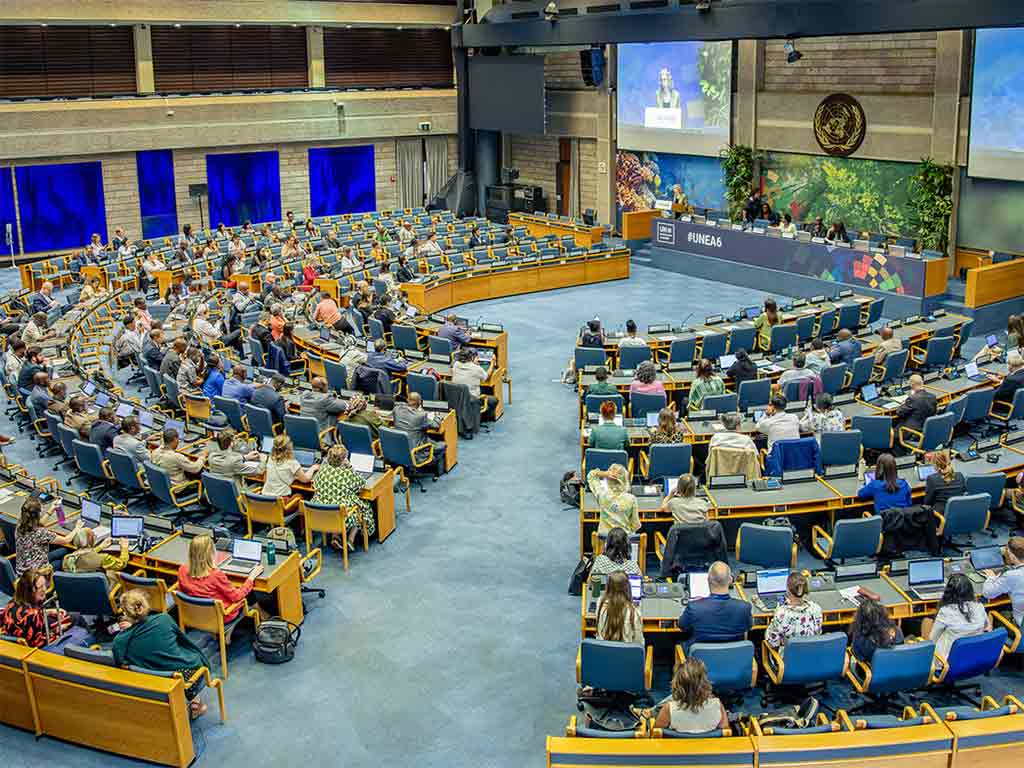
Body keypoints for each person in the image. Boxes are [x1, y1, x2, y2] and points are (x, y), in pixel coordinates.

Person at [114, 590, 212, 719]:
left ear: (126, 613)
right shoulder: (164, 619)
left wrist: (129, 630)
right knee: (192, 657)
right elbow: (184, 641)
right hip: (182, 675)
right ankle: (196, 703)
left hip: (152, 680)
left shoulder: (120, 640)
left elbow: (119, 661)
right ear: (145, 605)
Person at [178, 535, 261, 623]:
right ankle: (263, 618)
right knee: (248, 591)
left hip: (194, 614)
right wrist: (251, 578)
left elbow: (182, 591)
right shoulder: (215, 575)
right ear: (210, 554)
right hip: (221, 616)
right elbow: (237, 597)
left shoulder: (182, 570)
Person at [310, 444, 377, 550]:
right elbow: (362, 483)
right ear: (344, 459)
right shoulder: (347, 474)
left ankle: (335, 536)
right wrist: (350, 466)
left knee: (333, 505)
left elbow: (314, 484)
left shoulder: (322, 471)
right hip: (342, 517)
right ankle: (350, 540)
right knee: (362, 508)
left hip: (321, 515)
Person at [677, 561, 752, 649]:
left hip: (699, 660)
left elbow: (681, 625)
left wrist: (698, 603)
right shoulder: (744, 608)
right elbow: (749, 626)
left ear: (708, 579)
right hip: (734, 658)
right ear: (731, 580)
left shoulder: (694, 607)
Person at [921, 573, 990, 660]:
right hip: (975, 657)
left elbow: (932, 639)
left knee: (927, 621)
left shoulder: (945, 611)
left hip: (947, 662)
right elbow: (987, 628)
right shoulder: (979, 606)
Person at [652, 658, 729, 734]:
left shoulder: (669, 709)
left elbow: (657, 734)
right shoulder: (717, 705)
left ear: (676, 684)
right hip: (710, 746)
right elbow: (725, 733)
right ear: (705, 682)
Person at [0, 568, 70, 647]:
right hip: (32, 648)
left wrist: (48, 612)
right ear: (31, 591)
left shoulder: (12, 602)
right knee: (74, 618)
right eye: (40, 587)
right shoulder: (33, 615)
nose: (45, 589)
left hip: (17, 637)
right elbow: (38, 643)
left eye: (44, 585)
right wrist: (57, 630)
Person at [15, 497, 81, 577]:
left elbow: (40, 523)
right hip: (37, 575)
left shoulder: (20, 524)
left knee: (64, 550)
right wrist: (77, 528)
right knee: (64, 560)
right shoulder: (40, 533)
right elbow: (66, 540)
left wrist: (51, 509)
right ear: (37, 515)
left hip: (23, 569)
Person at [765, 572, 823, 651]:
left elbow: (772, 642)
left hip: (788, 660)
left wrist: (775, 616)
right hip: (811, 655)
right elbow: (818, 634)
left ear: (788, 591)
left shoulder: (782, 613)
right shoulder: (816, 609)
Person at [392, 392, 446, 475]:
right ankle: (432, 468)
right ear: (420, 402)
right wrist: (437, 416)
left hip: (398, 450)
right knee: (443, 445)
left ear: (407, 400)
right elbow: (436, 425)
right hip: (415, 453)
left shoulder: (396, 410)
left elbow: (400, 404)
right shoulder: (421, 416)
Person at [981, 537, 1024, 627]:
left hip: (1019, 627)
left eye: (1006, 551)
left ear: (1012, 556)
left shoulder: (1012, 576)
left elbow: (988, 593)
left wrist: (991, 578)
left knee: (991, 611)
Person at [587, 464, 640, 536]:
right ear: (625, 479)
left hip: (605, 541)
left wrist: (604, 474)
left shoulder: (602, 495)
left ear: (608, 481)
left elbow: (591, 476)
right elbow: (635, 525)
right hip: (625, 542)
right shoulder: (632, 499)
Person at [262, 435, 318, 499]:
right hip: (280, 501)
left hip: (265, 498)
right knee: (302, 496)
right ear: (289, 448)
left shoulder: (269, 459)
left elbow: (265, 478)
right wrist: (313, 468)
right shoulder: (292, 463)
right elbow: (306, 479)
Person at [848, 598, 904, 662]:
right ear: (882, 613)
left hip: (874, 670)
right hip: (898, 667)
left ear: (860, 618)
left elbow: (858, 656)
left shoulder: (861, 639)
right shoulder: (897, 631)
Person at [595, 571, 643, 644]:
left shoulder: (600, 603)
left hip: (603, 652)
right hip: (626, 653)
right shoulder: (634, 613)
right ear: (628, 588)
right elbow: (638, 642)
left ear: (608, 587)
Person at [452, 347, 498, 420]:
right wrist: (492, 362)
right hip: (471, 399)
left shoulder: (456, 364)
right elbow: (486, 377)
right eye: (477, 357)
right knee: (494, 400)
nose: (478, 359)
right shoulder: (476, 368)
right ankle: (482, 417)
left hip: (458, 398)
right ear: (472, 358)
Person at [61, 528, 130, 574]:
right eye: (94, 536)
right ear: (91, 541)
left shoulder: (67, 558)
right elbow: (122, 564)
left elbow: (86, 555)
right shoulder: (103, 558)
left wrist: (100, 547)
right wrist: (124, 548)